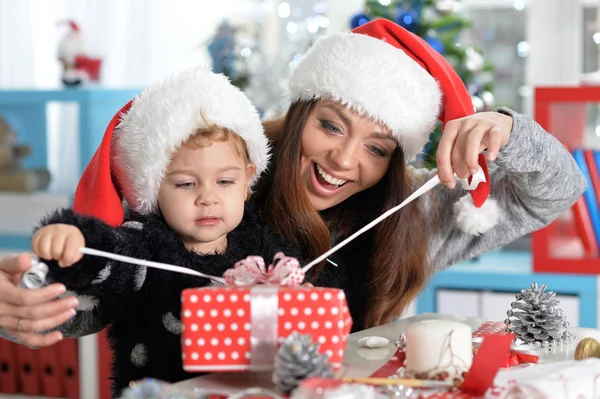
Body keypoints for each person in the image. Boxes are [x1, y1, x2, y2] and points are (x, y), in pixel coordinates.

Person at [0, 19, 586, 345]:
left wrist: (508, 131)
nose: (344, 159)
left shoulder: (413, 213)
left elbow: (558, 189)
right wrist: (40, 307)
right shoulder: (224, 174)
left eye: (377, 148)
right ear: (302, 110)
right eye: (331, 125)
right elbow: (111, 281)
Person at [2, 67, 299, 395]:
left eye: (225, 182)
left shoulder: (260, 246)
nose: (208, 198)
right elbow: (105, 262)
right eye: (186, 184)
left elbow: (299, 302)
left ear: (247, 182)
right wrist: (76, 243)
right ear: (153, 190)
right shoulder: (144, 246)